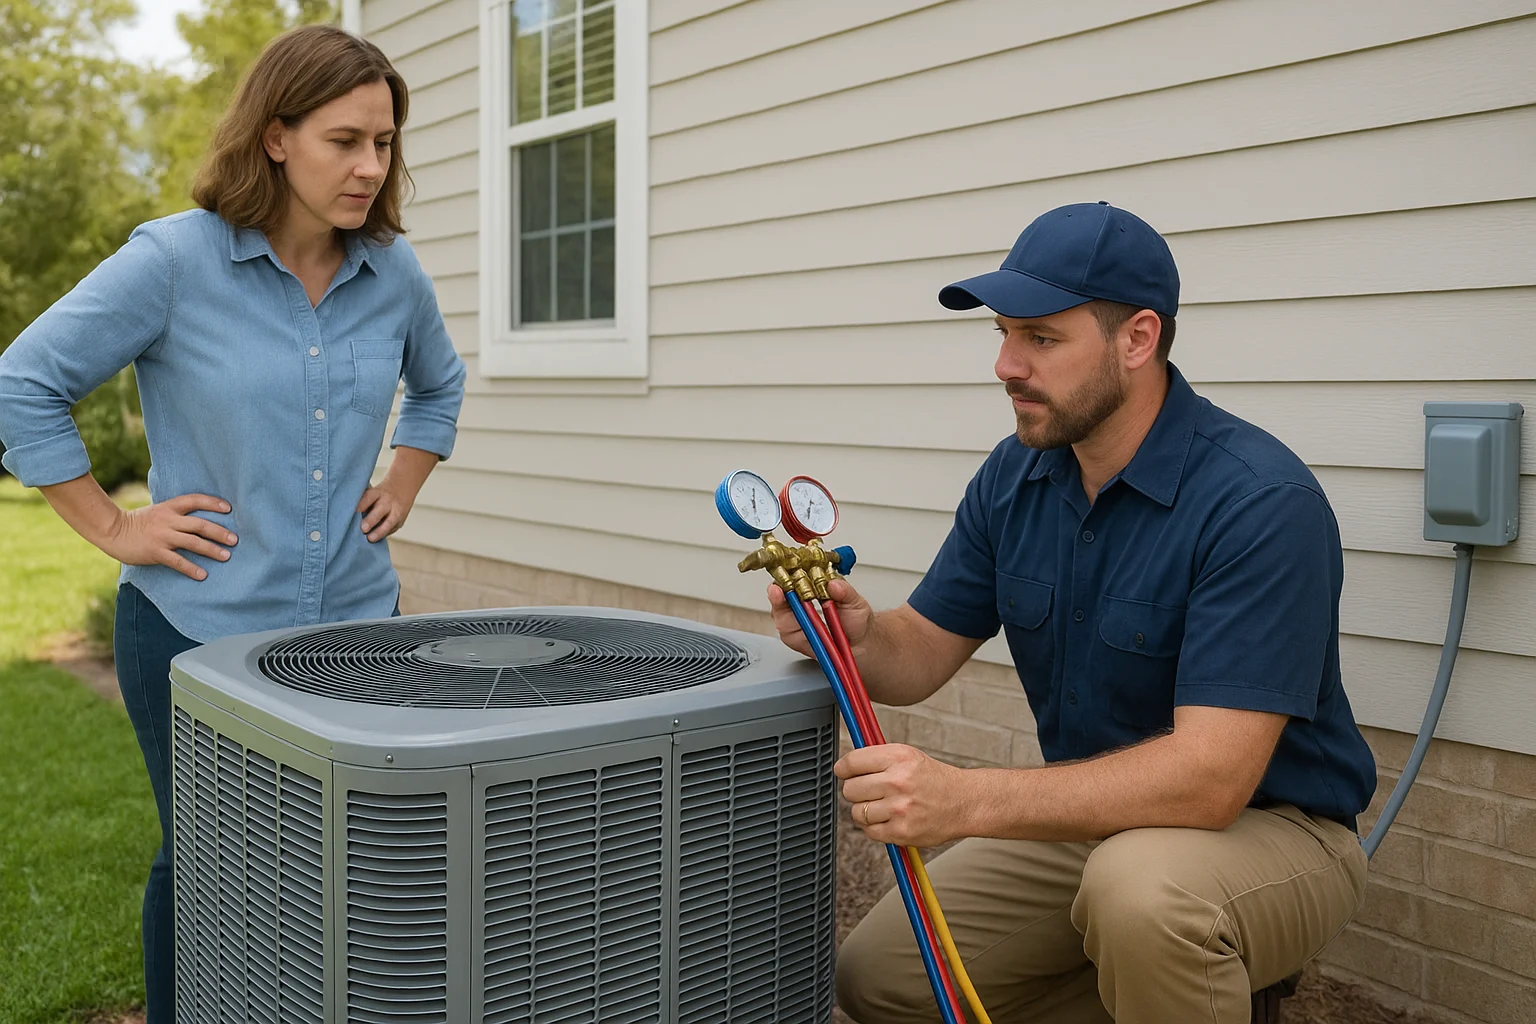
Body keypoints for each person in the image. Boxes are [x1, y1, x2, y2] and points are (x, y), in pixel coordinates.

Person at [767, 202, 1377, 1024]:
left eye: (1041, 339)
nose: (1006, 366)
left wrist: (967, 800)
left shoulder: (1260, 503)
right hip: (1095, 826)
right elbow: (917, 656)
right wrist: (859, 635)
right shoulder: (1018, 476)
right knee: (882, 977)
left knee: (1146, 902)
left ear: (1137, 340)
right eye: (1002, 334)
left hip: (1275, 832)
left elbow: (1210, 781)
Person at [0, 25, 465, 1024]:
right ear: (276, 137)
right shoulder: (173, 260)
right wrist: (112, 527)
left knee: (352, 859)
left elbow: (441, 385)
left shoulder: (394, 273)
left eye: (384, 143)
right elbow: (22, 383)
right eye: (346, 140)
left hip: (355, 630)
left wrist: (408, 480)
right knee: (210, 862)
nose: (371, 166)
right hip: (193, 632)